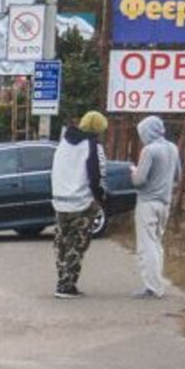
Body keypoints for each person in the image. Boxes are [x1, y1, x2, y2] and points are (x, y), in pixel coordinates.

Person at [50, 110, 109, 298]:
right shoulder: (93, 146)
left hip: (60, 202)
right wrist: (100, 197)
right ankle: (67, 286)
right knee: (78, 244)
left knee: (62, 243)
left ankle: (62, 280)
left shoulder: (63, 143)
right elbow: (97, 175)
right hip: (81, 202)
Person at [130, 115, 180, 297]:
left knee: (146, 245)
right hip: (165, 202)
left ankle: (153, 287)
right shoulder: (173, 148)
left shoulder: (149, 151)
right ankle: (157, 281)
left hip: (147, 202)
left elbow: (139, 180)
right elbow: (177, 175)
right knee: (157, 243)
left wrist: (133, 171)